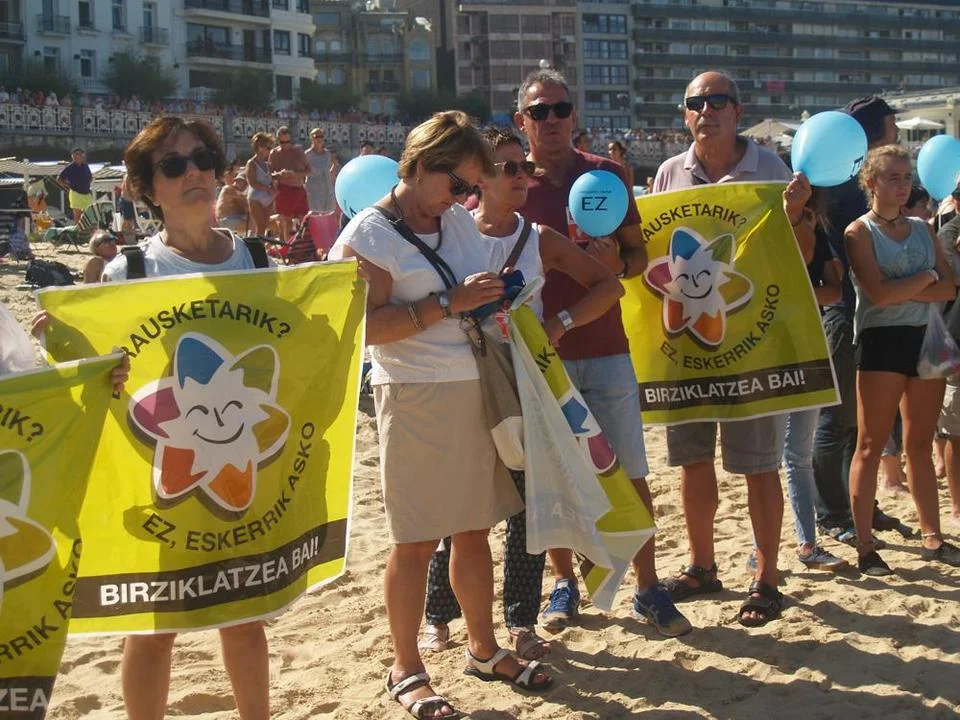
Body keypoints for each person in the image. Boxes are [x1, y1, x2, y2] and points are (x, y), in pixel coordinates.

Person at [333, 110, 551, 720]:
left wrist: (494, 294)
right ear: (422, 164)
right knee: (416, 539)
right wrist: (449, 303)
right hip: (414, 395)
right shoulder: (369, 235)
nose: (464, 197)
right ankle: (405, 668)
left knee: (474, 528)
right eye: (457, 183)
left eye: (471, 187)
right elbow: (364, 329)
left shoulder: (451, 219)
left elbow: (470, 285)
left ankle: (483, 649)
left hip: (474, 383)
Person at [419, 127, 625, 659]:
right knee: (459, 509)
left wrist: (559, 323)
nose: (522, 177)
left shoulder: (539, 237)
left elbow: (610, 286)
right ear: (479, 178)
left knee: (528, 507)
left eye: (525, 168)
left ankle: (520, 621)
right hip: (463, 380)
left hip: (524, 384)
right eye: (508, 168)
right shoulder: (448, 231)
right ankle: (439, 617)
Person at [100, 116, 274, 718]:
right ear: (148, 188)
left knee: (245, 616)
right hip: (161, 467)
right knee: (153, 625)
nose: (193, 172)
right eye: (173, 166)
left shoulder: (257, 261)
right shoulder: (130, 272)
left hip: (238, 459)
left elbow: (292, 355)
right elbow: (102, 378)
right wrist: (85, 357)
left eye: (203, 159)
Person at [515, 68, 690, 637]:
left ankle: (647, 585)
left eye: (560, 109)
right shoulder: (512, 184)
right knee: (557, 476)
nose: (552, 120)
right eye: (539, 111)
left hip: (608, 347)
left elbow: (639, 258)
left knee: (631, 471)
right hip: (544, 353)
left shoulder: (606, 176)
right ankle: (565, 583)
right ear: (522, 121)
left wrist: (617, 261)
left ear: (575, 114)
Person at [651, 71, 810, 626]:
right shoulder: (669, 173)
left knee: (759, 466)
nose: (707, 110)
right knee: (693, 461)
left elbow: (800, 254)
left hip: (755, 343)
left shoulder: (772, 169)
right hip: (688, 345)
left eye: (718, 100)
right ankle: (702, 566)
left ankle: (766, 578)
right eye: (696, 102)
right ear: (684, 113)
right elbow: (656, 255)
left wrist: (797, 215)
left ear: (738, 111)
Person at [845, 144, 960, 575]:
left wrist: (910, 287)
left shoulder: (922, 228)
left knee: (920, 443)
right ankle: (864, 544)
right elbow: (878, 295)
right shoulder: (859, 232)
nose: (902, 185)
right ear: (871, 183)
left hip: (924, 339)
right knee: (871, 444)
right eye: (892, 177)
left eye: (907, 177)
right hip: (880, 342)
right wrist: (925, 277)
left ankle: (932, 535)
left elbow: (948, 288)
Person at [813, 96, 905, 549]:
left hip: (866, 312)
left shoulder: (849, 186)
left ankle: (860, 504)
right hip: (845, 312)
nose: (897, 134)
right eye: (891, 127)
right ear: (871, 134)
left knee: (859, 421)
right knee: (837, 419)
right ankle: (832, 512)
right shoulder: (845, 190)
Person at [935, 212, 960, 529]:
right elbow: (949, 281)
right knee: (956, 432)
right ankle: (957, 507)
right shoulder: (948, 233)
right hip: (955, 341)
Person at [269, 126, 311, 241]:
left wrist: (295, 173)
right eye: (282, 142)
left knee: (303, 219)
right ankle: (286, 245)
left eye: (287, 142)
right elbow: (270, 174)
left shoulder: (298, 151)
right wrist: (279, 175)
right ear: (278, 141)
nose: (285, 145)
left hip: (298, 188)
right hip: (283, 189)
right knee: (285, 221)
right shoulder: (274, 153)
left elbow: (309, 170)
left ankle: (303, 243)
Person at [245, 132, 276, 236]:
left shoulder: (267, 165)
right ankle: (259, 245)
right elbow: (252, 182)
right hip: (256, 198)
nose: (270, 151)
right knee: (260, 226)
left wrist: (273, 189)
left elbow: (270, 180)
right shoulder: (251, 163)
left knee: (265, 226)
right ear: (260, 147)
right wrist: (268, 189)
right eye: (268, 148)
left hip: (268, 198)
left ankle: (261, 244)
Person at [304, 128, 338, 214]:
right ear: (312, 138)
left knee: (328, 213)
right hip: (313, 190)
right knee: (314, 213)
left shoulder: (327, 154)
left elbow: (332, 166)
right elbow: (302, 170)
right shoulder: (307, 154)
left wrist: (331, 171)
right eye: (317, 136)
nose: (319, 139)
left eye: (321, 136)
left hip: (327, 188)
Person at [57, 148, 94, 223]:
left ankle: (89, 229)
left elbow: (90, 177)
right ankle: (77, 230)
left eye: (81, 154)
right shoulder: (70, 167)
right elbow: (59, 179)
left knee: (91, 215)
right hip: (75, 193)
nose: (80, 155)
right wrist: (68, 185)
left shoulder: (85, 166)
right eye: (78, 154)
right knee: (77, 216)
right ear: (73, 156)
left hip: (86, 193)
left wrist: (87, 184)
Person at [215, 163, 250, 235]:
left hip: (235, 219)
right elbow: (247, 201)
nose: (244, 185)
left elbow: (247, 209)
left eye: (246, 183)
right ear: (235, 181)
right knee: (254, 224)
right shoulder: (228, 189)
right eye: (241, 182)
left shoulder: (240, 195)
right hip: (226, 220)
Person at [118, 173, 137, 242]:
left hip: (129, 201)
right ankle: (123, 238)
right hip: (126, 200)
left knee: (130, 221)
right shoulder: (128, 176)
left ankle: (129, 238)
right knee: (127, 221)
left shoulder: (130, 176)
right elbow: (127, 189)